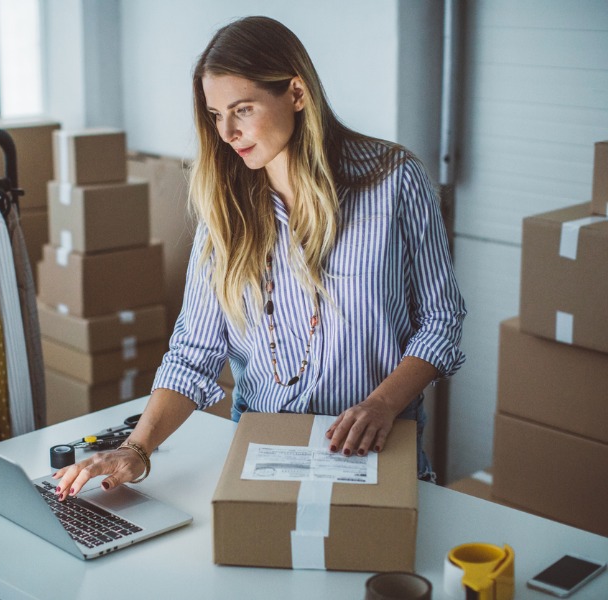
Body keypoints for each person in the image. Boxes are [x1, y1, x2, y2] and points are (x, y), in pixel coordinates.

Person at [54, 15, 466, 500]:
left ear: (296, 93)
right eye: (214, 115)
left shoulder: (394, 180)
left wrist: (381, 404)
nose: (227, 132)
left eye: (242, 109)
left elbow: (442, 321)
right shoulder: (225, 209)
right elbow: (194, 354)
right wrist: (136, 449)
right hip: (264, 449)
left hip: (377, 445)